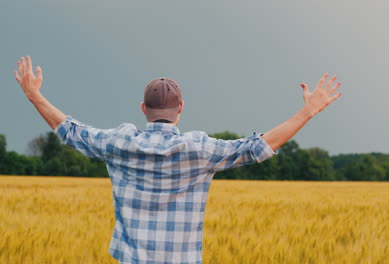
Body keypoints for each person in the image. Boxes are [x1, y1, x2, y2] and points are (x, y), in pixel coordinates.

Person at [14, 56, 343, 264]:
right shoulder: (199, 150)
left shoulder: (118, 143)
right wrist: (308, 111)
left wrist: (34, 95)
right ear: (181, 108)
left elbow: (70, 130)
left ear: (143, 109)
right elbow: (257, 147)